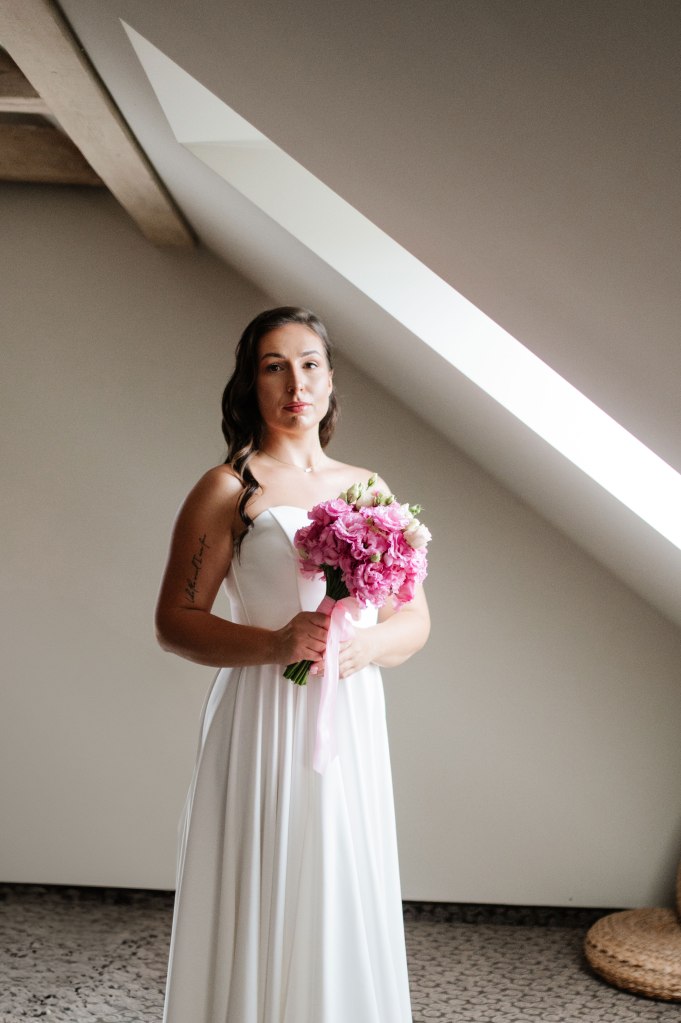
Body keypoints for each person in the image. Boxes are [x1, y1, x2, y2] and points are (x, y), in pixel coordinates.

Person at [155, 306, 430, 1023]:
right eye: (273, 366)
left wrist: (365, 647)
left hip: (351, 715)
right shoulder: (229, 487)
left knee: (343, 871)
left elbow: (414, 619)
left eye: (309, 364)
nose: (294, 383)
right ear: (252, 382)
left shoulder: (368, 489)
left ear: (331, 379)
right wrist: (277, 644)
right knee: (268, 874)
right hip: (263, 715)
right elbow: (174, 620)